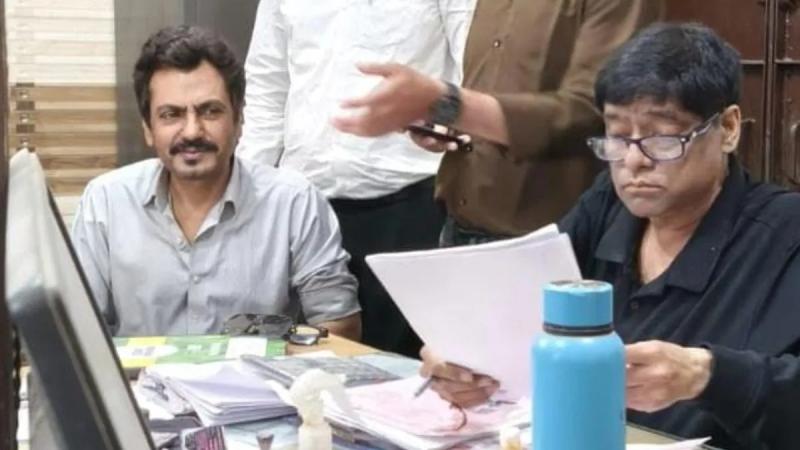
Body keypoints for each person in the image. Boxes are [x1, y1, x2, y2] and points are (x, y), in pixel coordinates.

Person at [418, 23, 800, 450]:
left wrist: (707, 375)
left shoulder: (785, 233)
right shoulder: (607, 207)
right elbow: (514, 305)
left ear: (728, 128)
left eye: (662, 138)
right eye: (617, 137)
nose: (634, 161)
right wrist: (463, 357)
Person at [71, 25, 361, 340]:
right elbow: (78, 331)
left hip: (257, 374)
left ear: (239, 120)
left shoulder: (293, 202)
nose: (192, 131)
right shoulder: (105, 202)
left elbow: (339, 329)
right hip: (138, 374)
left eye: (210, 111)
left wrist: (264, 339)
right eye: (171, 114)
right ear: (148, 129)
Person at [236, 0, 475, 355]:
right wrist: (245, 198)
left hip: (413, 203)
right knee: (303, 367)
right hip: (304, 207)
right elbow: (267, 88)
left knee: (404, 369)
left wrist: (450, 122)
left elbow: (474, 70)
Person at [332, 0, 663, 246]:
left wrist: (447, 102)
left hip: (549, 238)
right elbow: (494, 93)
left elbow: (597, 111)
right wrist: (443, 120)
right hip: (457, 220)